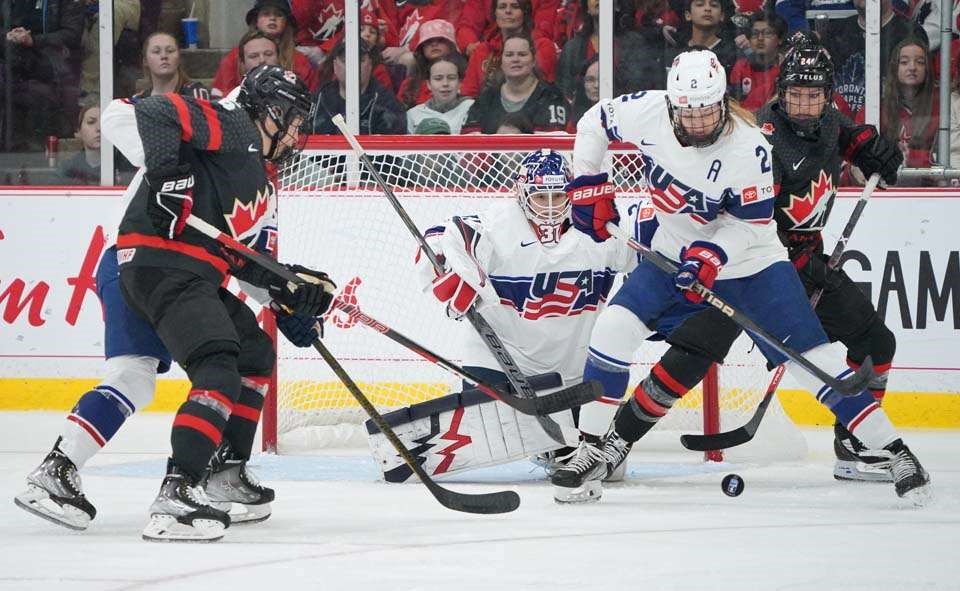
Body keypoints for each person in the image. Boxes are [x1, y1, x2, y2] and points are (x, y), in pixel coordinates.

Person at [552, 48, 930, 505]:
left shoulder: (749, 147)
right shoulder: (647, 111)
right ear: (672, 103)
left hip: (753, 266)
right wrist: (589, 183)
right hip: (671, 254)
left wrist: (711, 256)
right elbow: (593, 121)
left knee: (817, 363)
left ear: (723, 101)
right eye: (687, 112)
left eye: (707, 111)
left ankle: (894, 449)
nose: (697, 123)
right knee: (611, 330)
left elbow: (749, 225)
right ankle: (590, 448)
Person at [13, 69, 332, 536]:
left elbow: (248, 258)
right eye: (295, 122)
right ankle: (149, 483)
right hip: (141, 260)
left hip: (192, 270)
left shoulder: (263, 183)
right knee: (139, 375)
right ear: (272, 113)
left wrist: (287, 304)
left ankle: (220, 473)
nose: (299, 135)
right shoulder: (226, 122)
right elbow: (123, 115)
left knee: (245, 354)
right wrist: (170, 173)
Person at [367, 149, 636, 480]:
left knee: (611, 471)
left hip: (572, 369)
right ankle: (544, 439)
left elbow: (645, 254)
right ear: (521, 195)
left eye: (558, 195)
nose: (551, 207)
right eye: (540, 197)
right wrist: (453, 271)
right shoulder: (499, 225)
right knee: (496, 423)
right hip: (500, 360)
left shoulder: (597, 229)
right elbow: (444, 235)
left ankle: (552, 441)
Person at [556, 0, 666, 103]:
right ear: (587, 8)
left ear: (616, 5)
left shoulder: (635, 43)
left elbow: (642, 86)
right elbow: (566, 91)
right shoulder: (572, 48)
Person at [461, 33, 567, 134]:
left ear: (534, 60)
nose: (515, 59)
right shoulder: (486, 98)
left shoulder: (551, 96)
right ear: (501, 62)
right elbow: (468, 144)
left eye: (522, 54)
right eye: (509, 55)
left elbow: (550, 147)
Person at [211, 0, 319, 98]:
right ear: (256, 20)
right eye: (266, 14)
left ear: (286, 23)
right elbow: (220, 96)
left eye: (279, 15)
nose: (272, 18)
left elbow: (309, 97)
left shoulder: (299, 60)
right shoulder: (235, 56)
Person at [459, 0, 558, 97]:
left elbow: (543, 93)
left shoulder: (542, 47)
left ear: (525, 12)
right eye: (502, 7)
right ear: (495, 13)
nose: (508, 11)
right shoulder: (482, 51)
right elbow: (468, 95)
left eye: (515, 6)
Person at [309, 39, 406, 135]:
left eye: (360, 60)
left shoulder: (387, 103)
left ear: (370, 65)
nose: (353, 66)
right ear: (335, 66)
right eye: (345, 61)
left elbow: (392, 146)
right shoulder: (319, 99)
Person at [880, 38, 938, 173]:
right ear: (895, 68)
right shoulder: (877, 108)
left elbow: (944, 159)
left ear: (927, 69)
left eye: (920, 62)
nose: (912, 67)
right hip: (886, 187)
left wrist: (909, 156)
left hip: (929, 188)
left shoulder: (941, 107)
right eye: (904, 62)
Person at [396, 19, 462, 108]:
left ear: (451, 46)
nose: (434, 44)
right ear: (422, 49)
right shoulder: (409, 83)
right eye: (428, 42)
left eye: (440, 40)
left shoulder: (464, 78)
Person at [728, 12, 786, 112]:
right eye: (754, 34)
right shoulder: (740, 67)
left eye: (767, 33)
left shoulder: (786, 69)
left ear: (780, 39)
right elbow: (734, 105)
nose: (760, 38)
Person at [405, 55, 474, 134]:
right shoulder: (413, 114)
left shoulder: (472, 108)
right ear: (429, 84)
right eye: (438, 78)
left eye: (451, 78)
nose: (445, 83)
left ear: (459, 83)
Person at [134, 32, 208, 100]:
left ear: (179, 58)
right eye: (156, 52)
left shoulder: (195, 93)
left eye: (170, 51)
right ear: (145, 61)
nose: (164, 56)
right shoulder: (139, 100)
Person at [56, 104, 101, 185]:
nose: (99, 128)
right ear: (78, 132)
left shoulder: (125, 168)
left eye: (105, 122)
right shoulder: (68, 170)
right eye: (91, 122)